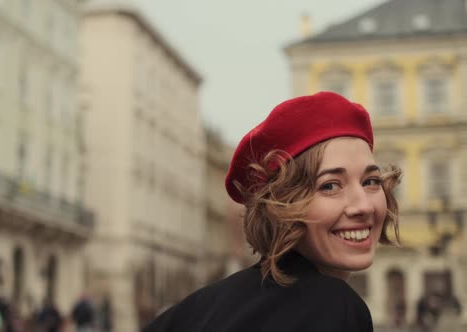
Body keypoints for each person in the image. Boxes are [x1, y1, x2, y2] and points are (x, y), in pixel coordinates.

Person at [143, 91, 402, 331]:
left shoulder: (194, 311)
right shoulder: (334, 306)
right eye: (330, 186)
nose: (363, 206)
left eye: (371, 181)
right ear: (281, 205)